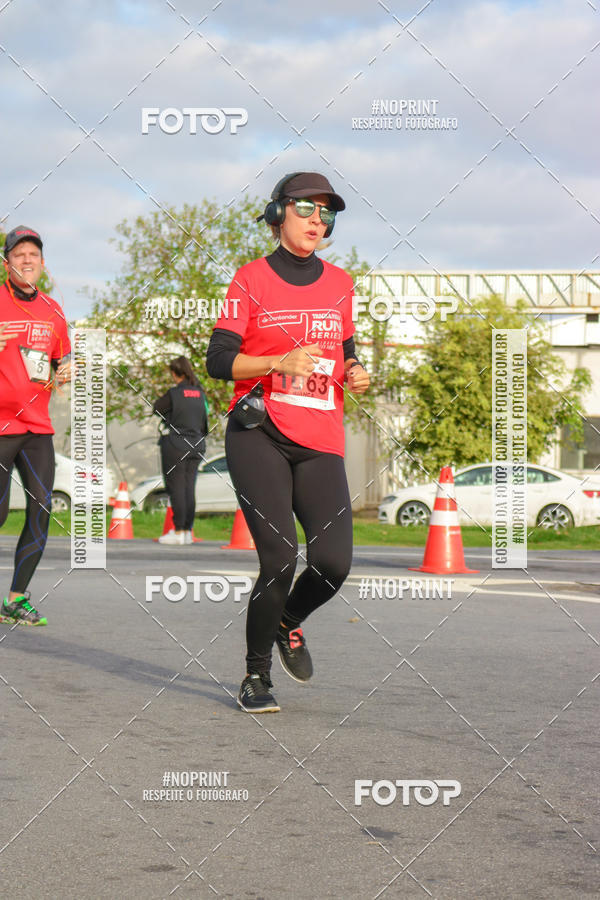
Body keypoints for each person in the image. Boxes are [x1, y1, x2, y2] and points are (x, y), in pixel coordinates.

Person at [206, 172, 370, 712]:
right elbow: (218, 360)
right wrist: (276, 360)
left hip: (320, 434)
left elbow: (344, 347)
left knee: (334, 562)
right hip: (260, 433)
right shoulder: (249, 279)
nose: (317, 221)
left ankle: (289, 619)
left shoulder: (341, 283)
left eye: (327, 214)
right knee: (279, 558)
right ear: (279, 215)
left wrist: (356, 368)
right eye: (306, 209)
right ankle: (256, 677)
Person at [0, 225, 71, 626]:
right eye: (18, 254)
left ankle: (15, 598)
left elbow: (62, 361)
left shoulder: (53, 310)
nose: (26, 260)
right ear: (7, 262)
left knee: (41, 507)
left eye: (33, 255)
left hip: (36, 427)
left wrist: (66, 371)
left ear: (42, 264)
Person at [153, 356, 208, 545]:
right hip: (197, 445)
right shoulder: (201, 393)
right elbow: (204, 421)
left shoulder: (174, 393)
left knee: (176, 488)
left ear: (175, 373)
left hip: (176, 445)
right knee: (188, 488)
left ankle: (177, 531)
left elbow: (156, 408)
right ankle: (186, 531)